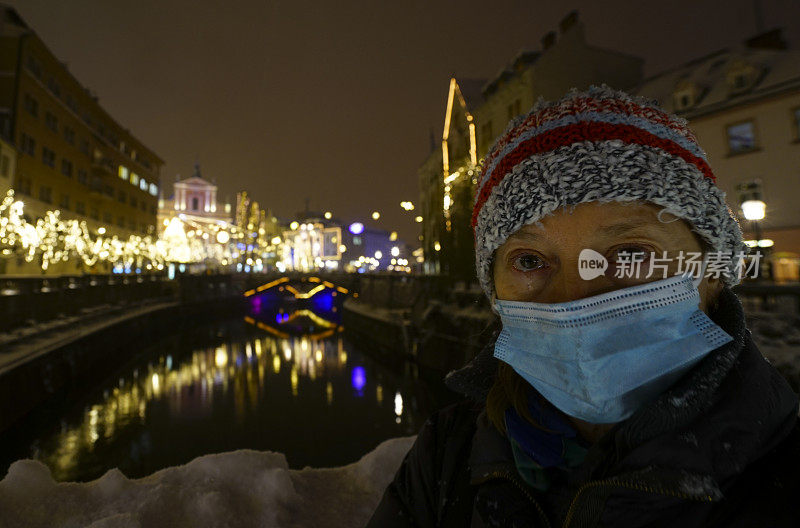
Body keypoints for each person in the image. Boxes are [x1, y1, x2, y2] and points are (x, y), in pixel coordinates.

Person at [365, 85, 800, 527]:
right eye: (530, 260)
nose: (576, 300)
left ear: (711, 269)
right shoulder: (447, 453)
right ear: (493, 289)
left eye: (630, 254)